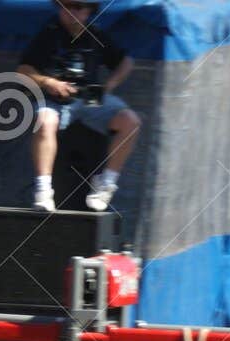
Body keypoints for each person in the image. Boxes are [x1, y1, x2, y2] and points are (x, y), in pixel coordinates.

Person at [18, 1, 141, 213]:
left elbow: (126, 62)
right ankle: (43, 191)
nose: (73, 13)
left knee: (131, 121)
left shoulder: (96, 34)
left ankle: (106, 184)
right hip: (54, 99)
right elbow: (23, 70)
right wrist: (49, 82)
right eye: (68, 7)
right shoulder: (48, 33)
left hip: (89, 99)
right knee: (44, 121)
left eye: (79, 8)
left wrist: (108, 86)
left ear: (88, 11)